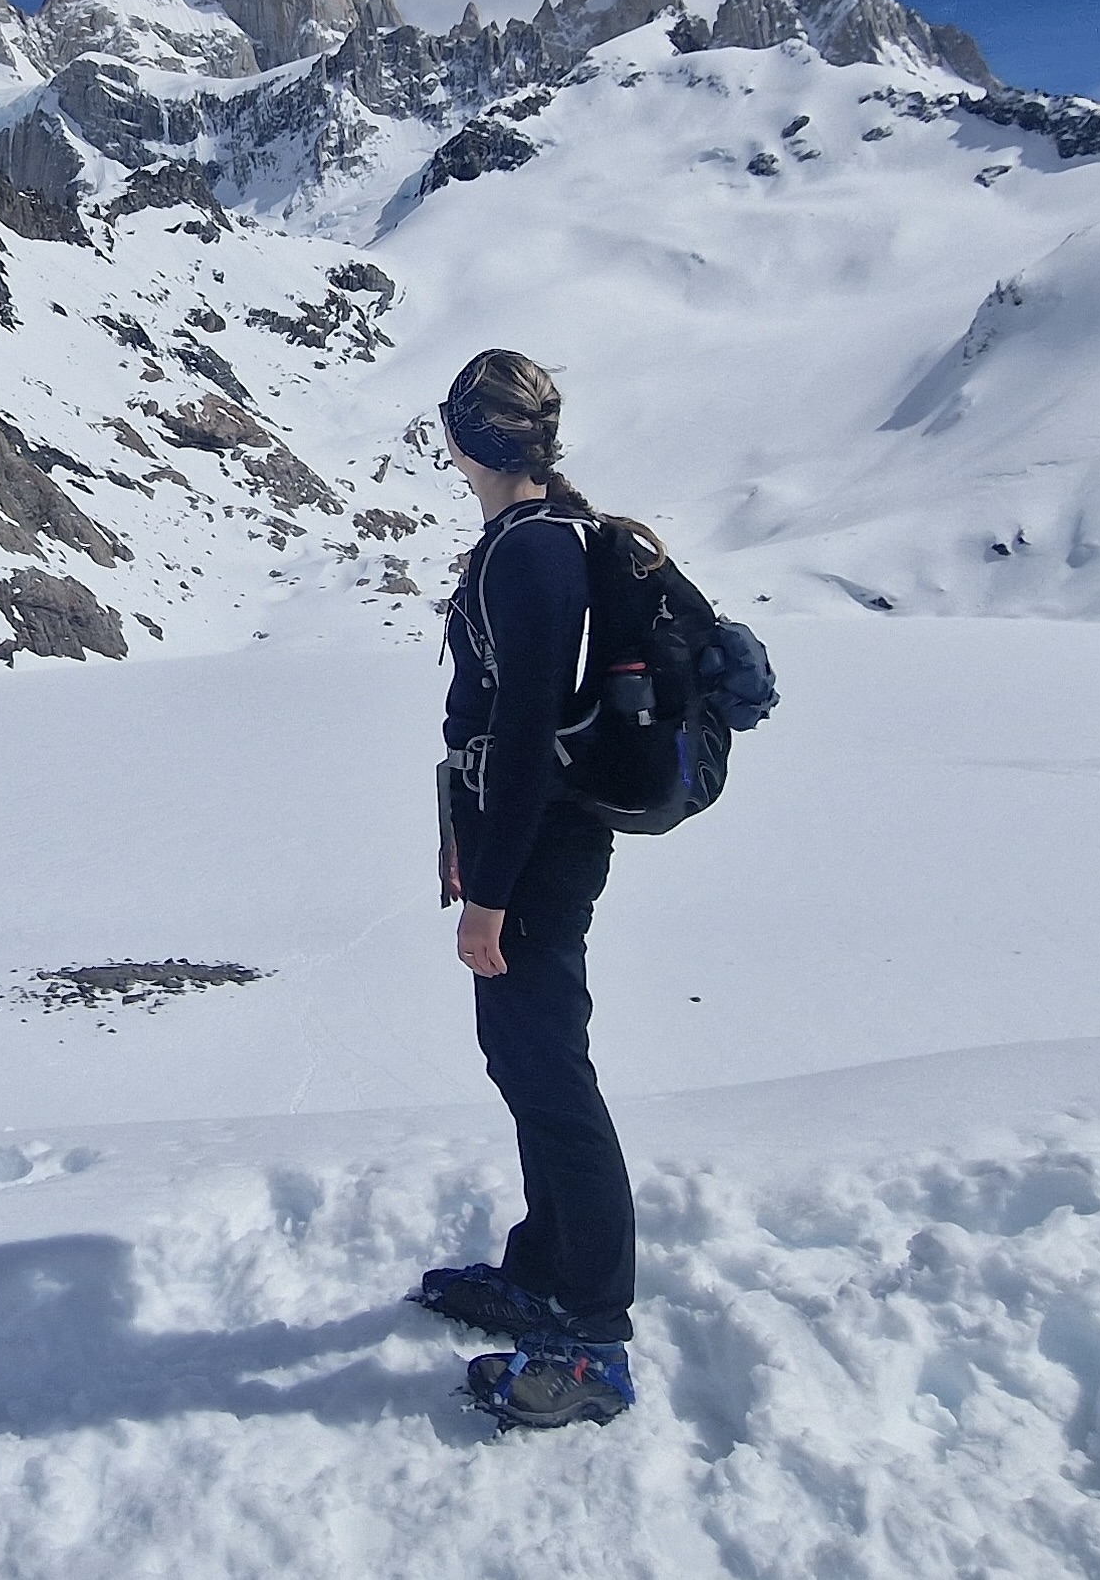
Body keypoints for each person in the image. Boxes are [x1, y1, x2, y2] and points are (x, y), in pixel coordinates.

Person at [413, 349, 640, 1431]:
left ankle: (591, 1334)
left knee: (549, 1070)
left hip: (536, 849)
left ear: (470, 442)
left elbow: (520, 738)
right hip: (537, 840)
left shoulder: (529, 555)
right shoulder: (545, 538)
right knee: (526, 1055)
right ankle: (547, 1270)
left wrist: (487, 895)